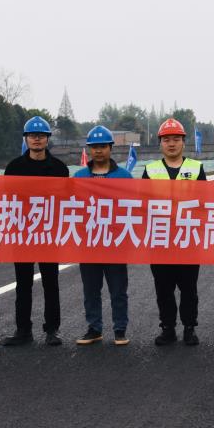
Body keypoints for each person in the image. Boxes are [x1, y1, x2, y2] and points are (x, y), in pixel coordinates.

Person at [3, 116, 69, 347]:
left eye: (41, 135)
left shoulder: (60, 169)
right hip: (22, 233)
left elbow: (65, 201)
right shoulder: (14, 168)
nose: (37, 139)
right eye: (33, 135)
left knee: (51, 282)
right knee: (23, 283)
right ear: (26, 138)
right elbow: (6, 200)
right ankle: (23, 330)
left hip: (49, 234)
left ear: (48, 139)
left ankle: (52, 330)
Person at [143, 117, 206, 346]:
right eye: (167, 139)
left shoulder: (196, 168)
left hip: (188, 239)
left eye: (176, 139)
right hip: (160, 241)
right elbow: (143, 206)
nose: (172, 144)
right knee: (164, 289)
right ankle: (167, 327)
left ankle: (190, 327)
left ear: (183, 142)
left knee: (189, 288)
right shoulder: (150, 171)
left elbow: (204, 204)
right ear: (160, 143)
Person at [74, 125, 131, 347]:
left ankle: (120, 329)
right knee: (91, 291)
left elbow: (134, 209)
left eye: (103, 147)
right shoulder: (79, 177)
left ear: (110, 148)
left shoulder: (124, 177)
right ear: (89, 149)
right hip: (88, 243)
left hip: (116, 243)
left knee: (118, 290)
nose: (98, 151)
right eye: (94, 147)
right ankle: (94, 328)